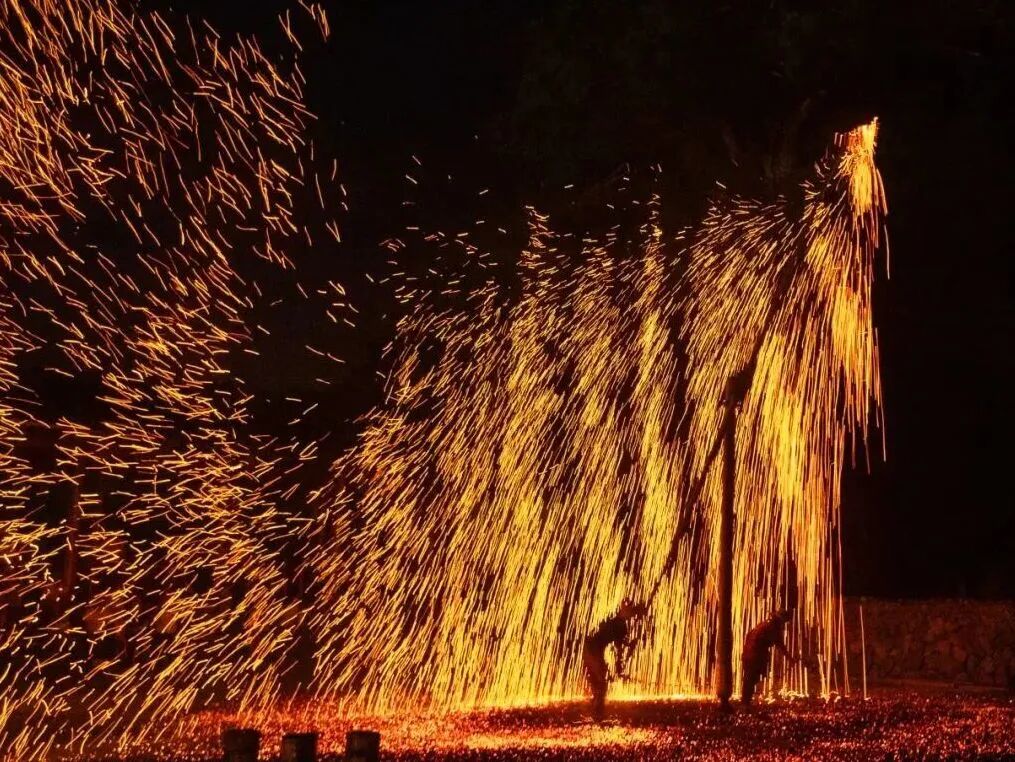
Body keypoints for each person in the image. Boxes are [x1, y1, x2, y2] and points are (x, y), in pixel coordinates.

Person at [582, 598, 647, 719]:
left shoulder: (615, 621)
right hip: (592, 650)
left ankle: (595, 709)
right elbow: (619, 651)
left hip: (590, 647)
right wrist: (619, 670)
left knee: (599, 681)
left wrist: (618, 669)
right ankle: (597, 713)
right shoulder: (621, 626)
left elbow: (618, 648)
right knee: (601, 682)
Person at [741, 609, 796, 706]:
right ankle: (745, 703)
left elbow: (749, 636)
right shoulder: (772, 627)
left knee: (750, 679)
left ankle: (746, 701)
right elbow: (780, 644)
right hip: (754, 655)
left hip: (749, 654)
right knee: (751, 678)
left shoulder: (764, 624)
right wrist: (789, 658)